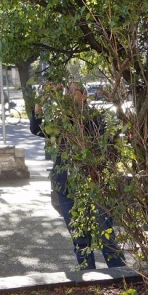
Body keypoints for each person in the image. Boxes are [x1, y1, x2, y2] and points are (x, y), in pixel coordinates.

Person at [32, 82, 125, 271]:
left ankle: (121, 276)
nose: (70, 96)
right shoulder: (59, 122)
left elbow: (110, 148)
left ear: (84, 96)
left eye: (75, 92)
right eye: (68, 92)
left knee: (106, 236)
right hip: (66, 187)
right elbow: (36, 128)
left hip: (94, 185)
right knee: (80, 240)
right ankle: (88, 277)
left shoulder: (95, 119)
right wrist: (45, 98)